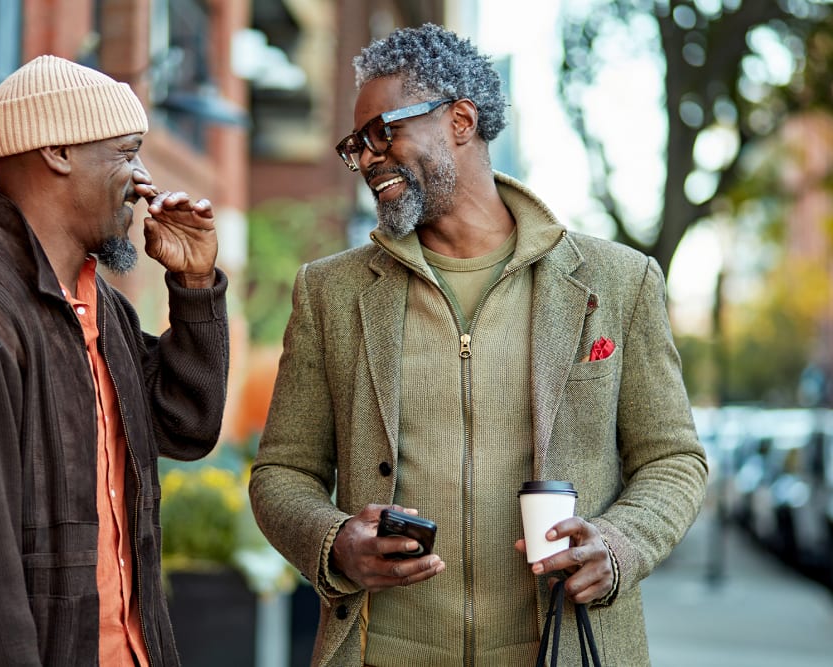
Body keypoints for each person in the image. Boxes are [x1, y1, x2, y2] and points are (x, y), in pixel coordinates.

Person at [249, 23, 707, 666]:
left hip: (563, 647)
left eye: (385, 130)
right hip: (384, 653)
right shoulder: (332, 293)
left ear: (460, 119)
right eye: (357, 145)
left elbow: (674, 459)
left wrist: (619, 545)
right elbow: (282, 473)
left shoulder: (618, 282)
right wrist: (334, 543)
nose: (370, 157)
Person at [0, 55, 229, 666]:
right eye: (126, 152)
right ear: (57, 152)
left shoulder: (102, 307)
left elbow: (187, 425)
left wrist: (196, 285)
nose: (142, 178)